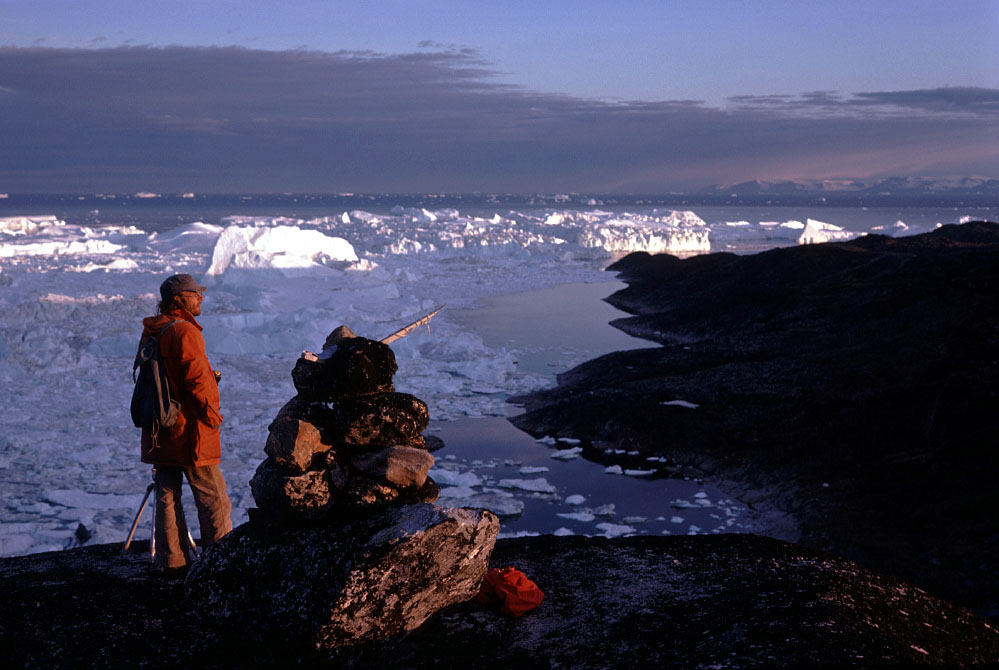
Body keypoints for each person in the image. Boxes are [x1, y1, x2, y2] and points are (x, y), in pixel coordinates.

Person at [138, 273, 232, 573]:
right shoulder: (185, 332)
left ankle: (172, 562)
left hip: (158, 426)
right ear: (179, 298)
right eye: (194, 293)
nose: (200, 298)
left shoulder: (154, 330)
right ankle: (219, 565)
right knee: (213, 496)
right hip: (189, 429)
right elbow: (197, 382)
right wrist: (212, 418)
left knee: (167, 492)